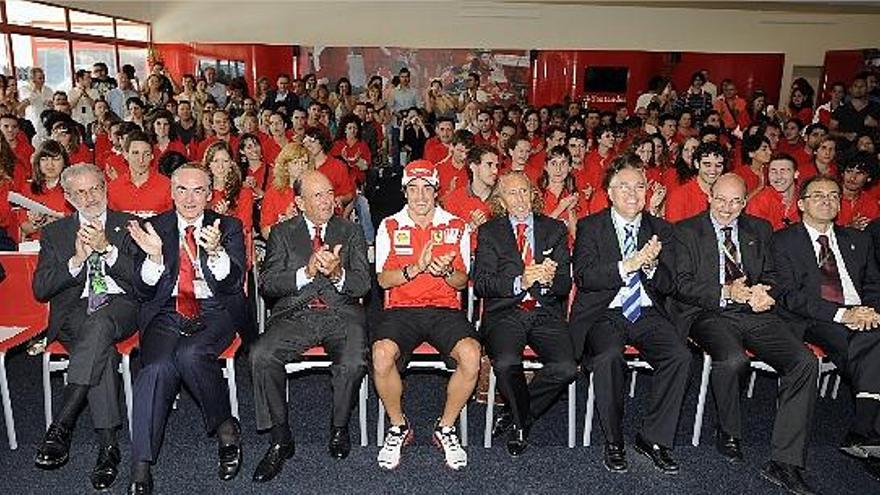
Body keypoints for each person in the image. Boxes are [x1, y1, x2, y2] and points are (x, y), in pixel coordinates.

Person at [674, 173, 818, 493]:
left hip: (755, 313)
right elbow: (681, 285)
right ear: (709, 197)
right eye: (721, 200)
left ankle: (785, 461)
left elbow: (773, 275)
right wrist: (726, 291)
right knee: (733, 360)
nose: (727, 208)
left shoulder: (760, 229)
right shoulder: (685, 231)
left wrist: (766, 292)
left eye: (736, 201)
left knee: (805, 362)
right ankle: (728, 429)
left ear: (745, 201)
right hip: (710, 313)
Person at [126, 163, 246, 494]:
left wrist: (217, 252)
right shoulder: (154, 228)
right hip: (166, 310)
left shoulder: (229, 226)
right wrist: (153, 260)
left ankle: (225, 428)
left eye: (197, 190)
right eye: (181, 189)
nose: (189, 198)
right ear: (171, 192)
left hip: (214, 310)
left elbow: (235, 282)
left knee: (191, 354)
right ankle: (140, 465)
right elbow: (142, 290)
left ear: (209, 194)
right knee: (157, 368)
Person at [569, 155, 691, 475]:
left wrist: (650, 266)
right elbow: (584, 277)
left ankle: (652, 438)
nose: (632, 194)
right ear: (609, 192)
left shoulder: (661, 228)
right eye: (623, 187)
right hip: (605, 313)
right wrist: (628, 265)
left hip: (647, 311)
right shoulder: (590, 226)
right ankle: (614, 441)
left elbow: (671, 285)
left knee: (679, 355)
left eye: (639, 186)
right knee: (609, 357)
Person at [250, 170, 370, 482]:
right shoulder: (281, 232)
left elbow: (362, 285)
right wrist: (306, 271)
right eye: (318, 195)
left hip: (341, 313)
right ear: (300, 202)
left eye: (330, 192)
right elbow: (269, 285)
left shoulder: (351, 231)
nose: (328, 200)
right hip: (296, 315)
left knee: (355, 360)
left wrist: (337, 273)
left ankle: (339, 427)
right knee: (261, 355)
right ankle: (280, 437)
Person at [32, 164, 139, 491]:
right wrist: (76, 261)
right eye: (80, 192)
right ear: (67, 197)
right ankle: (109, 448)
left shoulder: (129, 225)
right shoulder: (55, 233)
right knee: (98, 341)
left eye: (95, 188)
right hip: (76, 311)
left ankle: (62, 424)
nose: (89, 197)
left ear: (105, 187)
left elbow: (143, 281)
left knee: (101, 323)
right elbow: (41, 288)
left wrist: (108, 250)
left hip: (121, 305)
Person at [372, 160, 480, 470]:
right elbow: (382, 280)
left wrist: (446, 271)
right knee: (381, 355)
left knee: (472, 356)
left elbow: (462, 280)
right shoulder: (390, 225)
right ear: (405, 192)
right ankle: (398, 426)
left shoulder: (456, 225)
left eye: (427, 189)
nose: (420, 197)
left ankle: (445, 427)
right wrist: (415, 268)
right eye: (413, 189)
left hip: (444, 309)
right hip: (402, 310)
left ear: (436, 191)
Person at [776, 175, 880, 482]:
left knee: (872, 340)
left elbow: (874, 284)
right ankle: (866, 431)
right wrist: (843, 315)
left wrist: (871, 311)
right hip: (814, 319)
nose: (827, 200)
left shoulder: (858, 239)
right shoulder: (784, 240)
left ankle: (868, 434)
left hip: (862, 316)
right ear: (801, 204)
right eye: (818, 195)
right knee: (873, 342)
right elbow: (788, 296)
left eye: (834, 195)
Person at [474, 171, 577, 456]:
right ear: (501, 201)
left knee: (567, 368)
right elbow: (481, 283)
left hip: (544, 311)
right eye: (511, 193)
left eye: (524, 192)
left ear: (533, 195)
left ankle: (517, 411)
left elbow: (565, 284)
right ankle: (522, 424)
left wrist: (547, 280)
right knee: (506, 362)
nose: (519, 199)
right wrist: (522, 280)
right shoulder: (489, 232)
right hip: (505, 311)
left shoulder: (554, 229)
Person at [107, 131, 172, 217]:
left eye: (146, 154)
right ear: (125, 155)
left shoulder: (167, 185)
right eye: (135, 153)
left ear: (152, 156)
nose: (141, 160)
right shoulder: (113, 188)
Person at [666, 141, 726, 223]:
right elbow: (675, 232)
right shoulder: (679, 196)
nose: (713, 170)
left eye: (718, 165)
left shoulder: (727, 194)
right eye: (707, 165)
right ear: (697, 164)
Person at [745, 153, 800, 230]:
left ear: (796, 174)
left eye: (783, 171)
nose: (778, 176)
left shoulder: (806, 198)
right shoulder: (758, 203)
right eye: (773, 171)